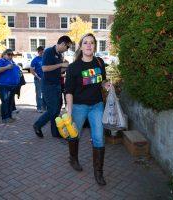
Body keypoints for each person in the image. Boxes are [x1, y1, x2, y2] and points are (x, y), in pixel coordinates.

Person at [65, 33, 111, 186]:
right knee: (74, 134)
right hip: (79, 106)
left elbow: (102, 80)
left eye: (92, 43)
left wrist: (105, 85)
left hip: (97, 106)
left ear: (95, 46)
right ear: (81, 46)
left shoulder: (99, 62)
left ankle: (98, 172)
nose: (89, 45)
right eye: (86, 42)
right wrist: (69, 112)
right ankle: (73, 159)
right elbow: (69, 91)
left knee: (99, 138)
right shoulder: (73, 68)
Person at [33, 36, 72, 138]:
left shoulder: (59, 55)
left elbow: (58, 71)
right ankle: (38, 125)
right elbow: (45, 68)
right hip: (48, 86)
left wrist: (65, 67)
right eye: (67, 47)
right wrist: (60, 65)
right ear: (63, 44)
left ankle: (55, 132)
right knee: (52, 110)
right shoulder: (49, 52)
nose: (67, 50)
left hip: (57, 85)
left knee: (57, 109)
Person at [0, 49, 21, 123]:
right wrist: (7, 67)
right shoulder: (2, 61)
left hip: (12, 85)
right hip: (3, 85)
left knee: (10, 102)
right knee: (5, 101)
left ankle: (9, 117)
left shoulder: (12, 62)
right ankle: (4, 118)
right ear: (4, 54)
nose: (10, 56)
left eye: (11, 55)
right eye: (9, 54)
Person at [30, 46, 46, 113]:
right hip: (38, 79)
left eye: (43, 51)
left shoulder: (46, 59)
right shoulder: (35, 60)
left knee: (45, 94)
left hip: (46, 79)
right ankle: (39, 107)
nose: (42, 53)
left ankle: (44, 107)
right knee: (39, 94)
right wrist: (38, 77)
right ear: (39, 52)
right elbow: (31, 70)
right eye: (41, 51)